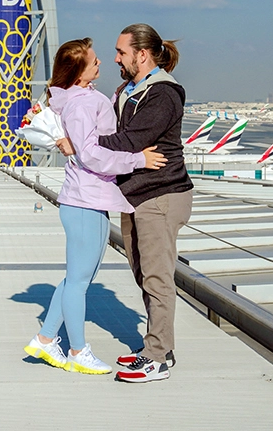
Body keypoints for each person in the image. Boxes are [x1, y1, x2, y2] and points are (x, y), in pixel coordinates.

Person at [58, 23, 192, 383]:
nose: (115, 58)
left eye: (121, 52)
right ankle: (156, 345)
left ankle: (158, 357)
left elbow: (133, 139)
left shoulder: (162, 93)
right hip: (134, 196)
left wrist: (83, 144)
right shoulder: (129, 89)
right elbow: (108, 133)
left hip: (161, 194)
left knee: (157, 277)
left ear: (141, 55)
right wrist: (81, 140)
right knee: (142, 273)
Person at [23, 37, 167, 375]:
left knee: (75, 277)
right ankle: (77, 351)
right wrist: (138, 160)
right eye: (94, 60)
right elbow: (90, 154)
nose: (101, 62)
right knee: (79, 282)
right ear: (78, 70)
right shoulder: (83, 103)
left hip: (84, 198)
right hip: (86, 199)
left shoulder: (73, 98)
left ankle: (45, 340)